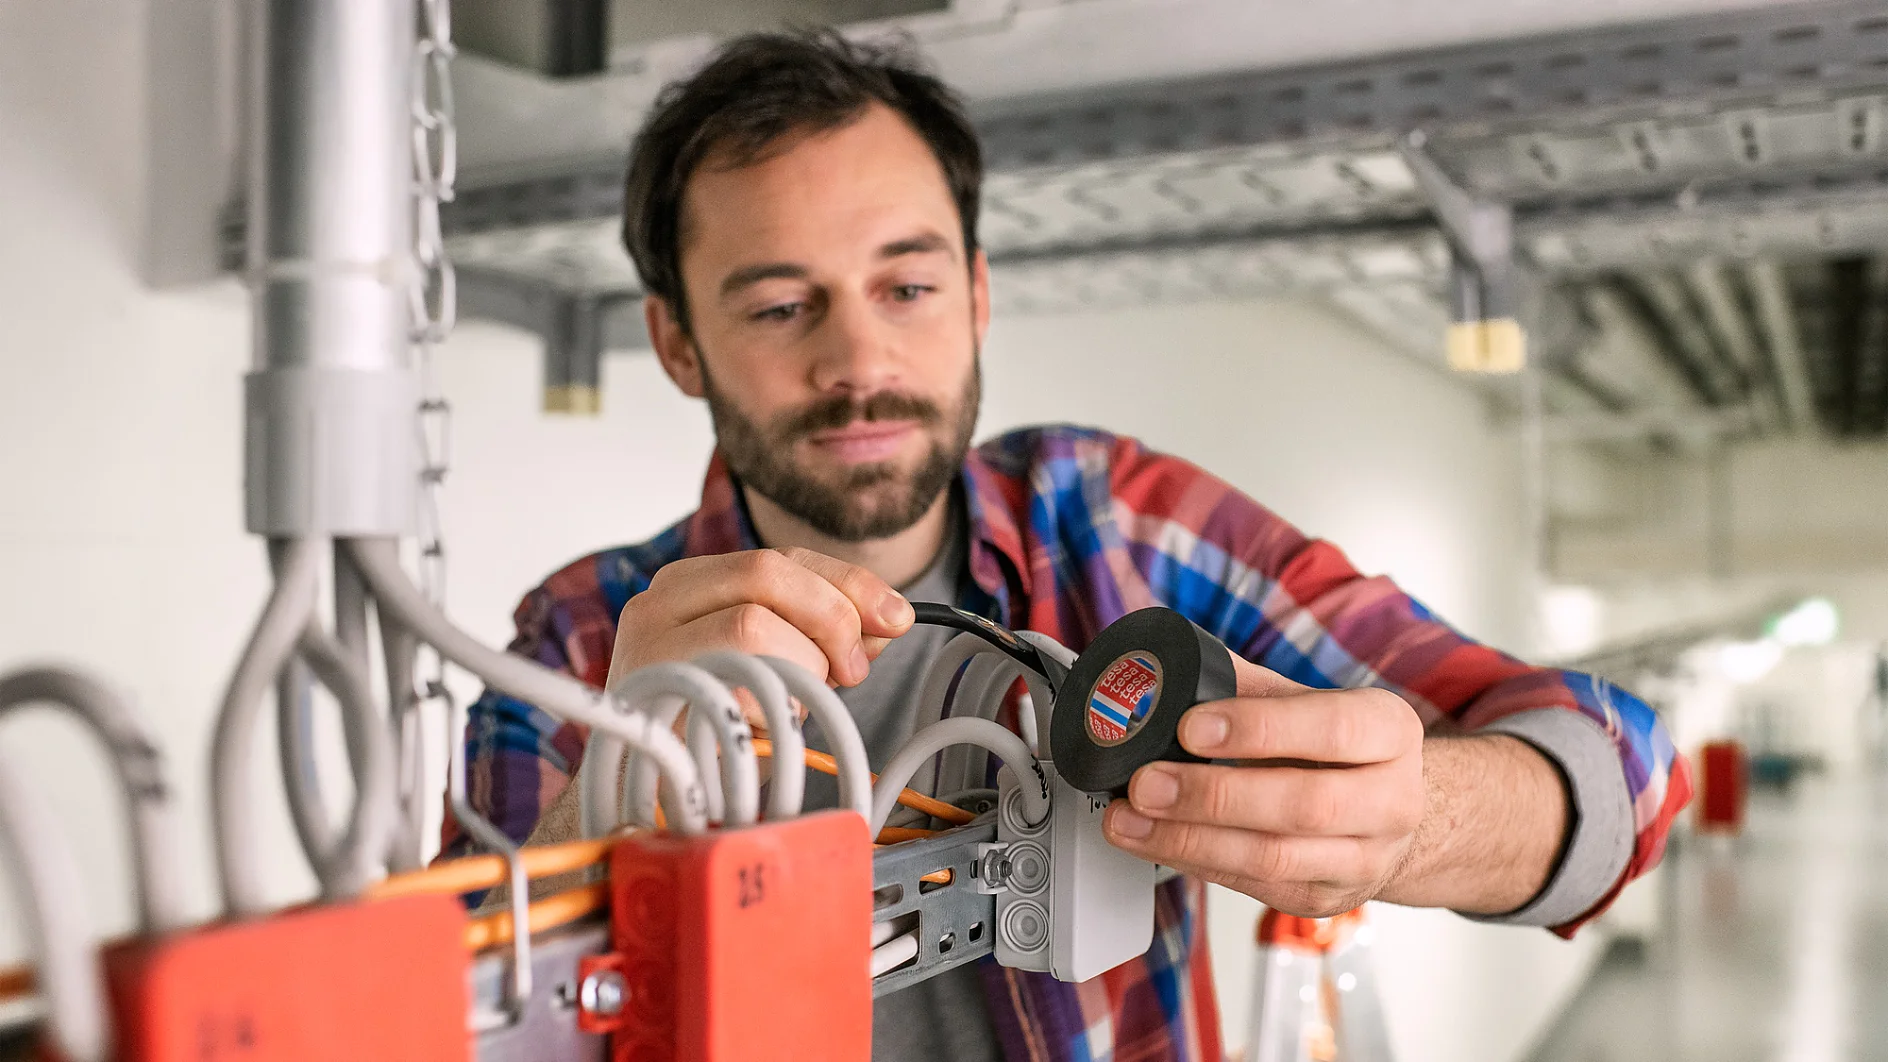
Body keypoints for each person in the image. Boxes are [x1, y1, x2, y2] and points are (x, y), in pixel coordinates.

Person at [451, 30, 1691, 1062]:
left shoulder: (1112, 528)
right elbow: (454, 1009)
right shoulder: (588, 634)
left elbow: (1628, 779)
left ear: (979, 296)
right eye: (780, 306)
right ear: (676, 344)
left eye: (909, 287)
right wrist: (603, 808)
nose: (860, 363)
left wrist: (1412, 819)